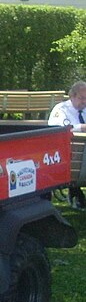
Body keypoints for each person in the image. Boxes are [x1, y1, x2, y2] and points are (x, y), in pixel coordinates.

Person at [48, 80, 86, 208]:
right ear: (72, 96)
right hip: (70, 158)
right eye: (82, 98)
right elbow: (57, 130)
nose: (84, 102)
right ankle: (75, 191)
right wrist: (80, 127)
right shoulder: (61, 109)